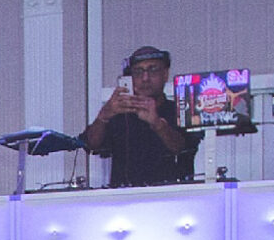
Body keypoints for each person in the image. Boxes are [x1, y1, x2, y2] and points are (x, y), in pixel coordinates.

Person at [80, 45, 197, 188]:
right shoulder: (119, 115)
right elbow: (91, 145)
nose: (145, 78)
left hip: (174, 196)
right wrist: (104, 116)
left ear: (165, 74)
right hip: (126, 198)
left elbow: (182, 147)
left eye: (153, 70)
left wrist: (157, 124)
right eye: (138, 72)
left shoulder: (181, 110)